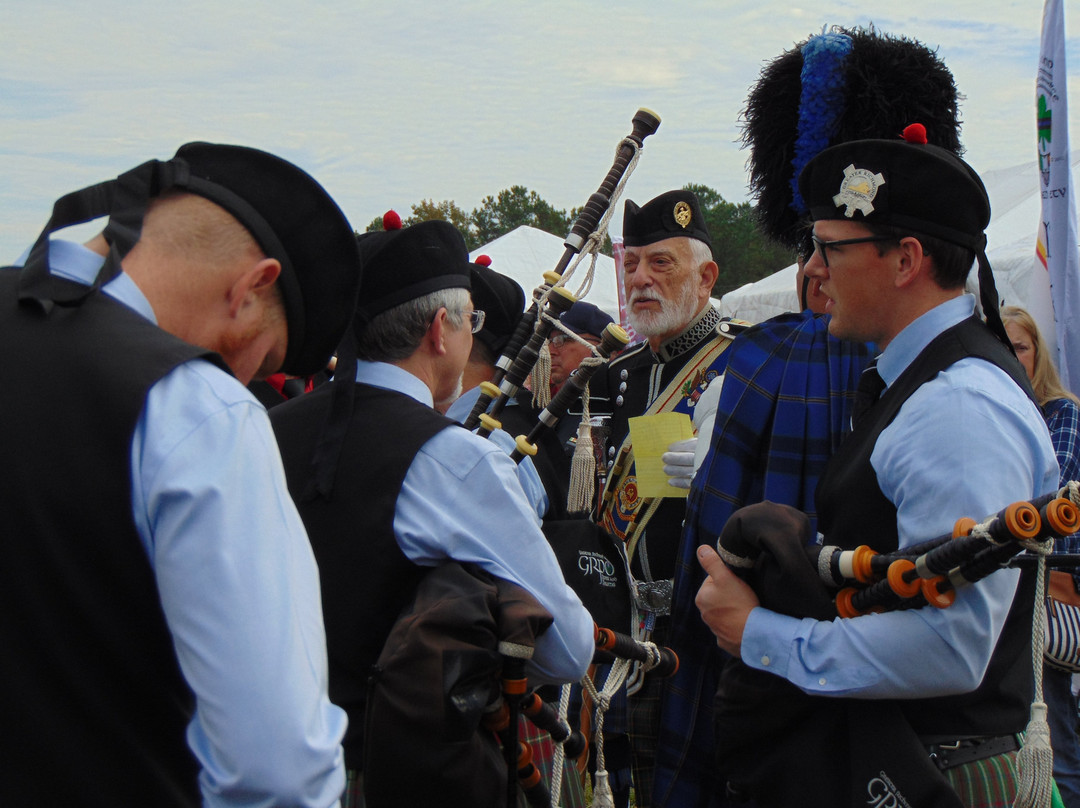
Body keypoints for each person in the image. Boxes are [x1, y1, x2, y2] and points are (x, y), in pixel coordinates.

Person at [694, 129, 1059, 807]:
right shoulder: (926, 383)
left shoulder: (957, 406)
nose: (815, 268)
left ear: (905, 261)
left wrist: (760, 634)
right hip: (904, 763)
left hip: (933, 776)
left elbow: (953, 647)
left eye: (832, 247)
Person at [657, 27, 968, 807]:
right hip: (902, 740)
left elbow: (710, 565)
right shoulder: (961, 361)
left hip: (772, 720)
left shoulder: (761, 360)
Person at [0, 143, 361, 806]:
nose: (253, 378)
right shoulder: (199, 410)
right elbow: (278, 769)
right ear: (251, 288)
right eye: (268, 353)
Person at [268, 218, 595, 807]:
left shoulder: (261, 430)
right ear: (440, 331)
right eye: (473, 321)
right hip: (392, 775)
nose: (474, 336)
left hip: (259, 767)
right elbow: (567, 647)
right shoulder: (454, 460)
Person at [590, 188, 739, 807]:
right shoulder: (617, 372)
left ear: (706, 277)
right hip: (621, 632)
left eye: (662, 264)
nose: (641, 280)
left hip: (704, 634)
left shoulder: (744, 364)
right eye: (632, 265)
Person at [1002, 305, 1080, 807]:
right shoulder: (999, 407)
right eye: (1004, 347)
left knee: (1052, 735)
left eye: (1022, 347)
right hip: (1010, 586)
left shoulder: (1060, 411)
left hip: (1051, 587)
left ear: (1038, 354)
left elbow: (1047, 492)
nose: (1013, 357)